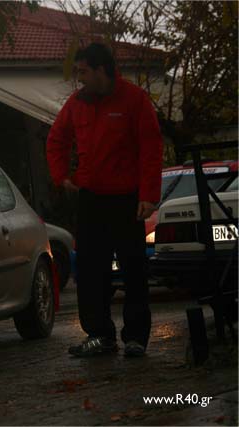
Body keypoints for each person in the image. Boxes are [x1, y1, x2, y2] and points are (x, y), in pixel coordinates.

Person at [46, 43, 163, 357]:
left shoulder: (134, 99)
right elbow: (56, 139)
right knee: (90, 270)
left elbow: (151, 149)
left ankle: (136, 337)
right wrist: (61, 176)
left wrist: (148, 196)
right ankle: (100, 335)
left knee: (133, 270)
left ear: (101, 70)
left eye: (83, 71)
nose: (79, 78)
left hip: (127, 200)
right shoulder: (77, 103)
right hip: (91, 199)